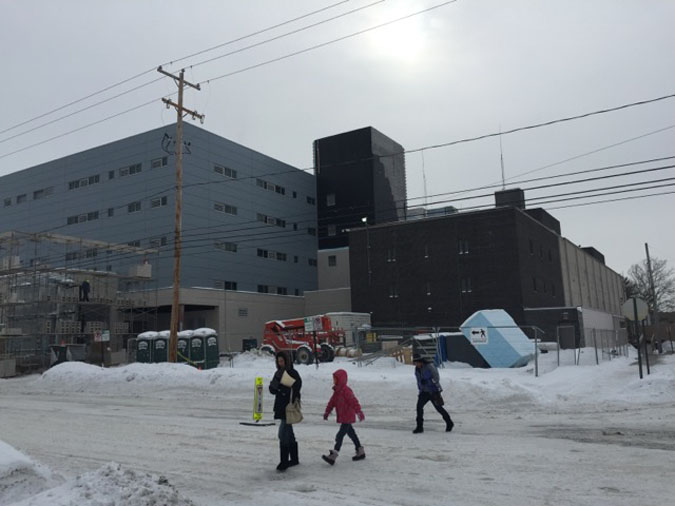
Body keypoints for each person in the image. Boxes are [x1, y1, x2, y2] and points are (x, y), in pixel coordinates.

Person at [322, 369, 365, 465]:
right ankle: (360, 450)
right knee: (352, 434)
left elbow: (354, 401)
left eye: (335, 379)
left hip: (348, 417)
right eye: (333, 379)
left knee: (340, 435)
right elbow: (331, 402)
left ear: (341, 379)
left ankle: (334, 454)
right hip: (344, 417)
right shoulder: (336, 392)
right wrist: (327, 412)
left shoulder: (346, 391)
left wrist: (359, 412)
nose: (334, 381)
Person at [269, 351, 302, 471]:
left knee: (282, 434)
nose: (280, 363)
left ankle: (284, 461)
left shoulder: (292, 373)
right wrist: (276, 387)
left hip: (288, 407)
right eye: (278, 361)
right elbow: (272, 389)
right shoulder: (278, 373)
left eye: (282, 361)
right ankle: (294, 458)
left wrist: (285, 390)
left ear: (287, 361)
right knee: (289, 433)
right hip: (280, 406)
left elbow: (297, 388)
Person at [413, 354, 453, 434]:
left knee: (439, 408)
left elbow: (436, 378)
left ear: (421, 362)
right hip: (424, 392)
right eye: (415, 363)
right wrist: (420, 390)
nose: (416, 364)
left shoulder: (429, 366)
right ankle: (419, 427)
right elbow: (418, 381)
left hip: (433, 391)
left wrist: (428, 382)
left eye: (417, 362)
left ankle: (449, 423)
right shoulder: (417, 369)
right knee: (419, 408)